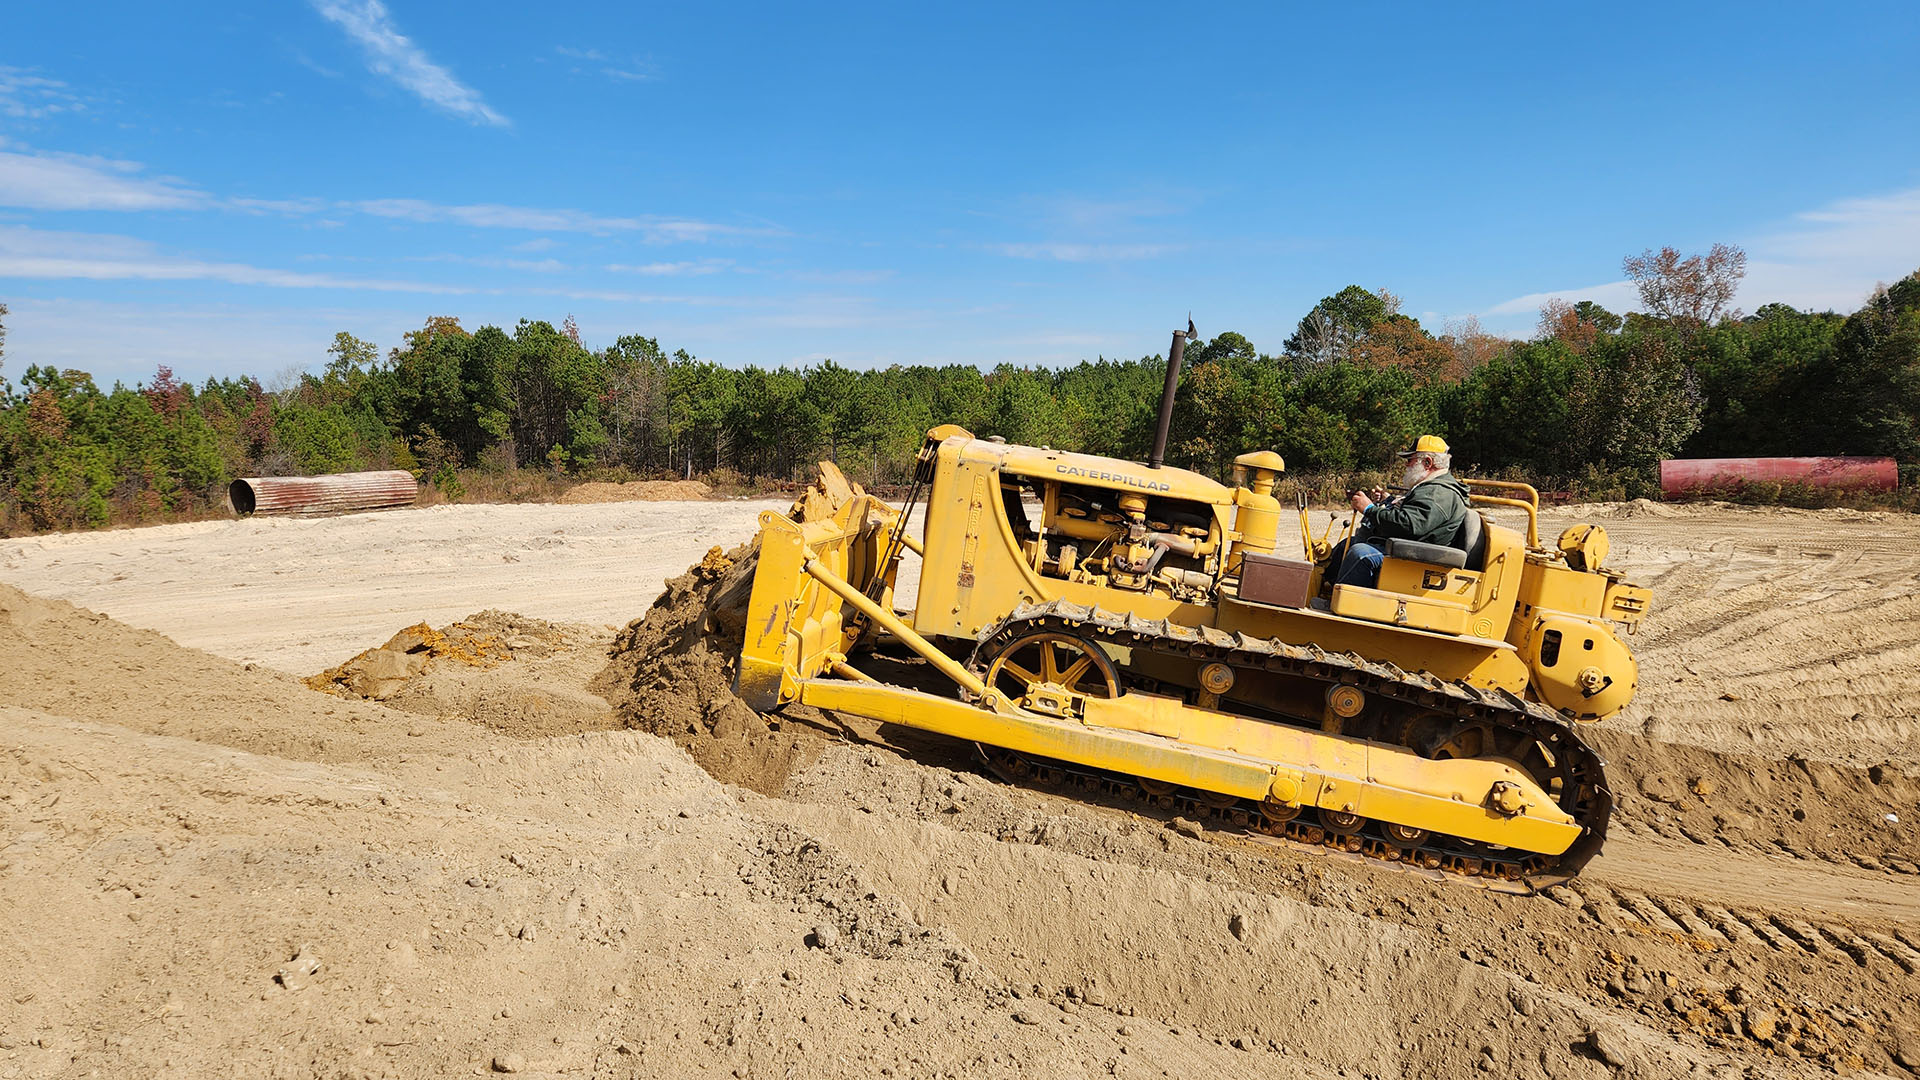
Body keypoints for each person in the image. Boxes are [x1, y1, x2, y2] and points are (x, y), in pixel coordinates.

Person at [1330, 435, 1470, 589]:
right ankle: (1327, 590)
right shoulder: (1433, 487)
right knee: (1348, 544)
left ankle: (1345, 606)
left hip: (1416, 558)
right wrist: (1389, 500)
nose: (1406, 465)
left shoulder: (1438, 492)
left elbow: (1409, 525)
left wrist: (1369, 509)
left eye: (1410, 460)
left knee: (1361, 554)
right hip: (1409, 548)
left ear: (1428, 462)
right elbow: (1415, 514)